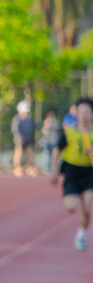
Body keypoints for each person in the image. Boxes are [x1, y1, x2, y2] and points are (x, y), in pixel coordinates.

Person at [51, 97, 93, 251]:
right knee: (71, 207)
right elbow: (56, 150)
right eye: (81, 112)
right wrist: (53, 171)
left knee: (87, 209)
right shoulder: (69, 132)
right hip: (71, 172)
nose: (84, 115)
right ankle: (72, 193)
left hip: (89, 173)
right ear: (77, 114)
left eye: (87, 112)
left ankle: (81, 235)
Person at [11, 100, 38, 177]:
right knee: (18, 152)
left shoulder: (28, 119)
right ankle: (17, 167)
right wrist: (20, 137)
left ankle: (30, 167)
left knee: (30, 152)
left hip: (28, 138)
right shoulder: (16, 119)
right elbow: (15, 129)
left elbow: (33, 126)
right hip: (19, 139)